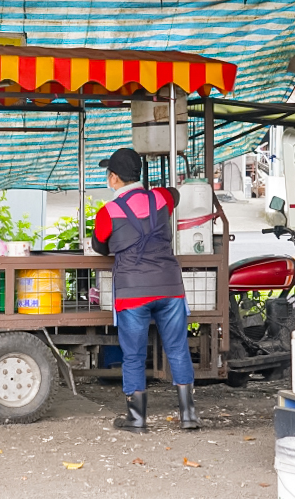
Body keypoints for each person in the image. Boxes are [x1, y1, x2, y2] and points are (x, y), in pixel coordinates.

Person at [91, 148, 200, 433]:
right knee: (177, 348)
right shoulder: (160, 199)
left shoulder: (108, 212)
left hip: (132, 292)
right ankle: (188, 416)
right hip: (170, 287)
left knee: (134, 355)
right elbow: (174, 194)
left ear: (113, 178)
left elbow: (99, 246)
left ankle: (136, 419)